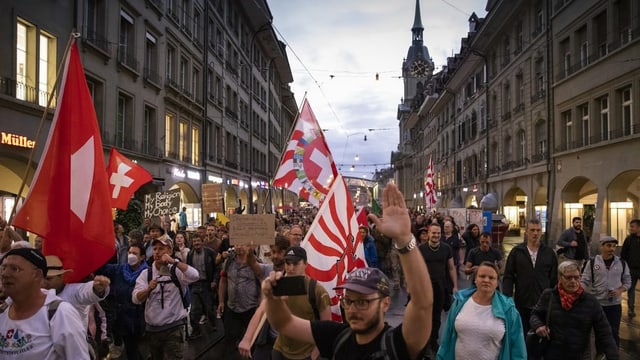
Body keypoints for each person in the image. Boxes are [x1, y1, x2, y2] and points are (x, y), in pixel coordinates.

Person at [262, 183, 433, 360]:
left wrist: (404, 239)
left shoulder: (397, 344)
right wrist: (272, 299)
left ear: (385, 303)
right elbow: (284, 323)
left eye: (363, 302)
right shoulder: (338, 337)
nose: (352, 309)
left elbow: (422, 304)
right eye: (348, 301)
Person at [0, 248, 90, 358]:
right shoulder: (2, 312)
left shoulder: (60, 314)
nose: (5, 274)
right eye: (3, 268)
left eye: (15, 269)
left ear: (37, 275)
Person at [437, 262, 526, 360]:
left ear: (497, 283)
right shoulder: (459, 302)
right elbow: (446, 340)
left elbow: (518, 349)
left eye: (491, 278)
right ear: (475, 279)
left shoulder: (508, 310)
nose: (486, 280)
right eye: (482, 276)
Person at [531, 261, 619, 360]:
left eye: (576, 277)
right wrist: (538, 325)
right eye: (568, 277)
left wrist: (613, 356)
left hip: (580, 356)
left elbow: (605, 333)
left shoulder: (590, 302)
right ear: (560, 278)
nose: (573, 281)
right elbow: (535, 314)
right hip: (552, 354)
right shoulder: (549, 295)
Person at [132, 235, 199, 359]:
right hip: (152, 330)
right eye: (155, 249)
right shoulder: (146, 274)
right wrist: (148, 289)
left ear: (169, 251)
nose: (157, 252)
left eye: (161, 249)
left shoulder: (176, 271)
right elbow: (135, 299)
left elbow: (195, 276)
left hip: (173, 327)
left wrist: (174, 262)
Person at [502, 218, 558, 336]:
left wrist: (554, 300)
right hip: (522, 302)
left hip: (543, 304)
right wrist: (507, 298)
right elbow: (508, 276)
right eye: (532, 230)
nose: (535, 233)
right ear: (526, 232)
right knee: (522, 335)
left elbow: (553, 279)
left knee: (541, 337)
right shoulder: (517, 252)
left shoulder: (549, 253)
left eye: (538, 230)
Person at [95, 243, 147, 360]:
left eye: (134, 253)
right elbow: (102, 268)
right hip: (121, 315)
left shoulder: (147, 273)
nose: (131, 256)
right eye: (129, 253)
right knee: (131, 348)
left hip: (138, 317)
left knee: (132, 347)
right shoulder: (120, 269)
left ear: (142, 257)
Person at [580, 236, 631, 346]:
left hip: (614, 305)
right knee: (600, 333)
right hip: (598, 305)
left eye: (614, 246)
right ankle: (600, 354)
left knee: (613, 333)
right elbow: (584, 280)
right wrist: (577, 293)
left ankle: (613, 355)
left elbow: (627, 281)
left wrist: (620, 290)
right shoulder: (593, 263)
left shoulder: (621, 263)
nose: (612, 249)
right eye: (608, 246)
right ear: (601, 247)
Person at [418, 222, 456, 357]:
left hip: (440, 287)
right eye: (433, 233)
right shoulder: (421, 249)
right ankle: (424, 343)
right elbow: (415, 269)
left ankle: (433, 342)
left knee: (436, 316)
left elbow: (451, 268)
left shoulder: (446, 249)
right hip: (424, 287)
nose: (436, 235)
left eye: (438, 233)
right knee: (424, 316)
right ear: (428, 234)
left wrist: (455, 286)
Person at [186, 233, 219, 339]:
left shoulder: (210, 253)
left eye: (198, 241)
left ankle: (213, 325)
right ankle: (196, 331)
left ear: (202, 242)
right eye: (194, 241)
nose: (196, 243)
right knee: (194, 309)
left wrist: (214, 280)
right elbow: (188, 270)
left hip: (207, 283)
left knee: (209, 308)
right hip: (195, 284)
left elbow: (217, 268)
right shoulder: (190, 255)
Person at [620, 219, 640, 318]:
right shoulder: (628, 239)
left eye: (632, 226)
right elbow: (623, 254)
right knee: (631, 290)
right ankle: (631, 309)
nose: (630, 228)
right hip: (631, 269)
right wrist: (624, 268)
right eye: (630, 226)